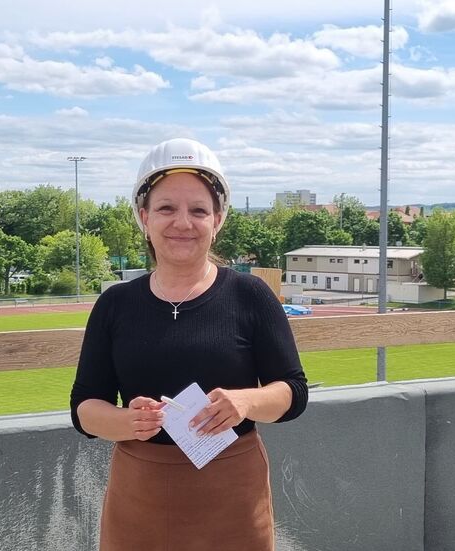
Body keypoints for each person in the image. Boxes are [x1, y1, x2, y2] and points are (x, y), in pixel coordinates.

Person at [70, 138, 308, 550]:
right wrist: (128, 422)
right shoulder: (115, 304)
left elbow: (293, 390)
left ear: (218, 220)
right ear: (144, 218)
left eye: (199, 210)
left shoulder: (250, 295)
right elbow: (85, 407)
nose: (183, 222)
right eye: (166, 209)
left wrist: (246, 403)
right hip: (139, 495)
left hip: (232, 494)